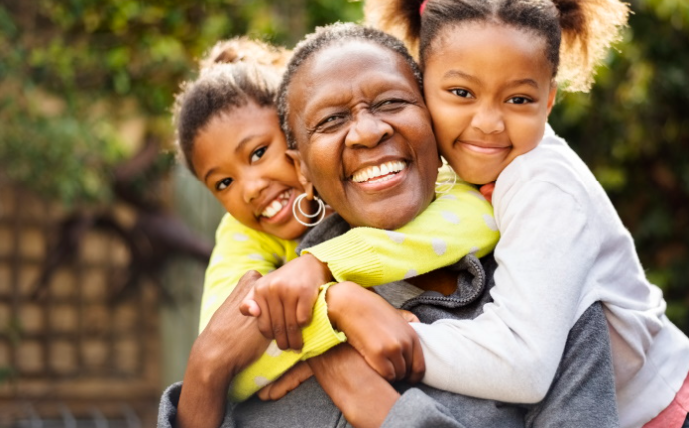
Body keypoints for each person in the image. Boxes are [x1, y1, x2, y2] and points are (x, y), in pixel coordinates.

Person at [345, 0, 689, 428]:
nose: (487, 122)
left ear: (548, 102)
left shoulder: (542, 185)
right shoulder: (451, 172)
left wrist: (403, 338)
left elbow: (524, 366)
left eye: (519, 98)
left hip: (669, 417)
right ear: (421, 86)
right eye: (461, 93)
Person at [159, 22, 619, 428]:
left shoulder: (546, 301)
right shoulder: (275, 306)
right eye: (331, 120)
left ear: (435, 121)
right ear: (301, 168)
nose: (367, 131)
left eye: (393, 102)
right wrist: (207, 369)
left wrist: (378, 407)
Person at [171, 38, 498, 402]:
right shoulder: (242, 232)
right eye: (223, 183)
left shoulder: (414, 175)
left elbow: (480, 217)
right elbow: (224, 346)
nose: (249, 188)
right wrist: (334, 319)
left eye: (260, 152)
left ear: (297, 133)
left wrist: (325, 267)